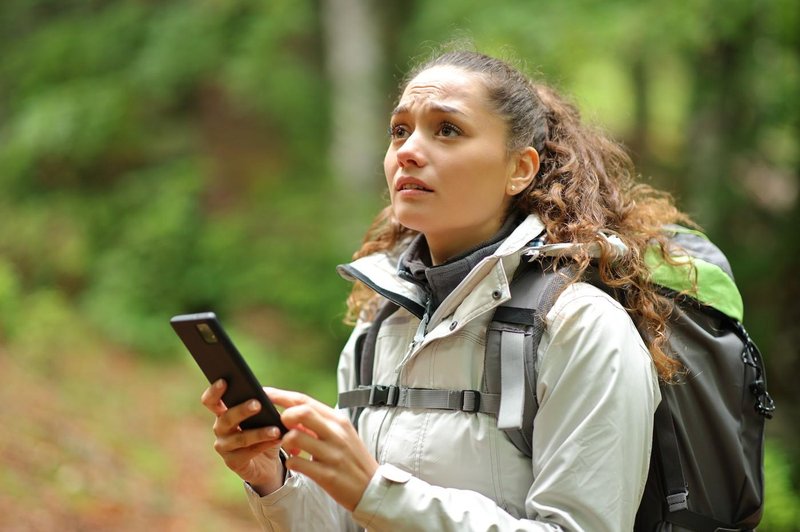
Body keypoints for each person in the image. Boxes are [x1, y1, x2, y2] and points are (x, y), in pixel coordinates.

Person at [201, 48, 692, 531]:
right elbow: (355, 520)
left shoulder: (579, 327)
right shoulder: (382, 322)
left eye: (447, 129)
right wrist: (274, 481)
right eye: (399, 131)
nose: (409, 151)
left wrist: (378, 493)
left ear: (519, 169)